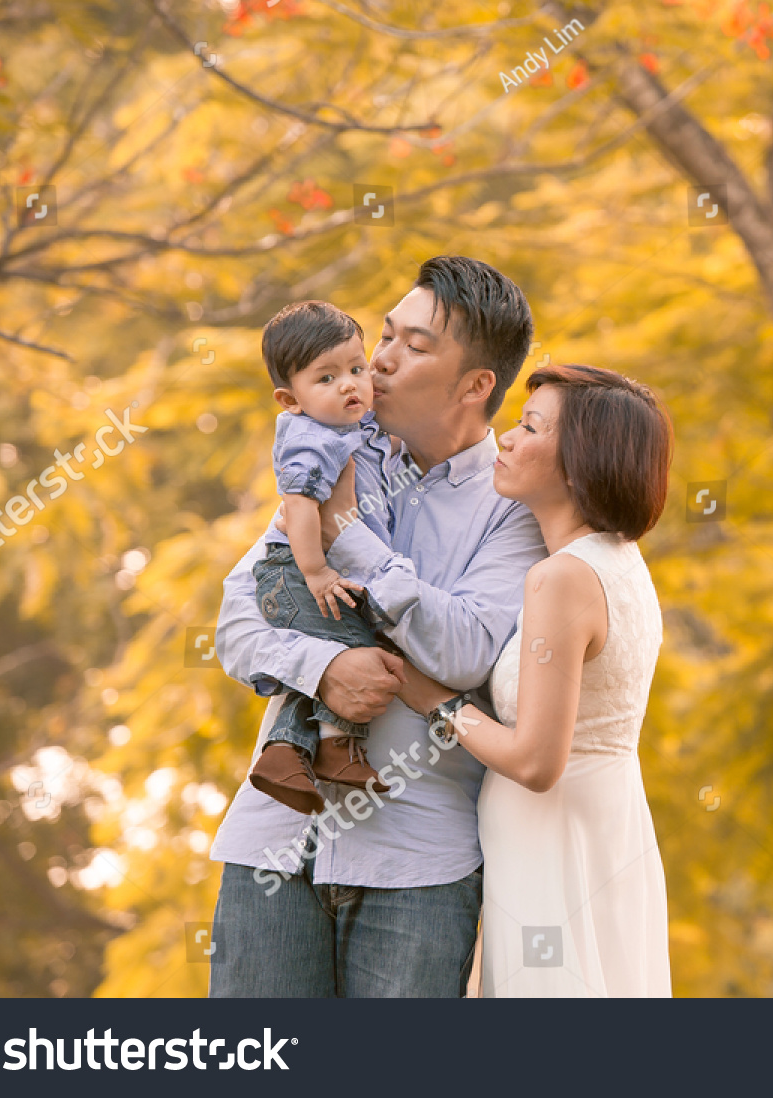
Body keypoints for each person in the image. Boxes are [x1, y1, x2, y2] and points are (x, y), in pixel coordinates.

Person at [207, 257, 546, 997]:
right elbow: (238, 620)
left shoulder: (516, 510)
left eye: (414, 346)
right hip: (276, 846)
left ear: (476, 385)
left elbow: (461, 651)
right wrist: (322, 670)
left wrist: (347, 534)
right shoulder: (331, 453)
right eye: (385, 335)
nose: (380, 361)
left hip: (416, 866)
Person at [397, 364, 674, 997]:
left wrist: (431, 699)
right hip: (605, 828)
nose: (508, 439)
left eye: (529, 426)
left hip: (553, 843)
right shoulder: (624, 566)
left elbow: (536, 762)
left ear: (580, 462)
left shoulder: (563, 579)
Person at [246, 300, 397, 814]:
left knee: (341, 640)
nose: (350, 385)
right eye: (327, 378)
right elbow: (301, 509)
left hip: (304, 569)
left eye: (357, 369)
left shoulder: (341, 423)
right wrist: (316, 571)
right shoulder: (310, 440)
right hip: (294, 571)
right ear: (290, 399)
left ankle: (288, 755)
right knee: (350, 641)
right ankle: (334, 747)